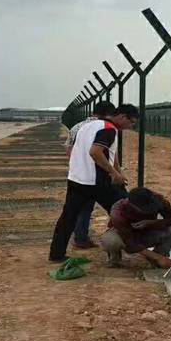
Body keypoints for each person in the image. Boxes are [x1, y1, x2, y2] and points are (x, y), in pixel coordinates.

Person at [48, 104, 139, 263]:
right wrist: (113, 173)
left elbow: (110, 152)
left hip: (76, 178)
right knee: (125, 211)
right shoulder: (108, 129)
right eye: (131, 122)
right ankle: (132, 247)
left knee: (68, 217)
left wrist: (118, 170)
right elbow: (95, 152)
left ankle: (56, 254)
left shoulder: (87, 126)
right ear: (122, 116)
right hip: (97, 181)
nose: (130, 126)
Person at [64, 101, 116, 249]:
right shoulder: (105, 127)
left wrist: (76, 163)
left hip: (77, 173)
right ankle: (117, 235)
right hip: (95, 174)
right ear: (109, 114)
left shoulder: (78, 126)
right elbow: (102, 151)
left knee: (79, 208)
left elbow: (68, 148)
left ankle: (79, 237)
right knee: (109, 204)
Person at [100, 186, 171, 269]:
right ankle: (115, 259)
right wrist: (158, 257)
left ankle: (158, 258)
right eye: (144, 208)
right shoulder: (118, 212)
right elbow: (130, 243)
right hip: (124, 236)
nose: (149, 210)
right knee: (112, 241)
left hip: (147, 232)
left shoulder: (158, 200)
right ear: (132, 205)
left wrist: (151, 223)